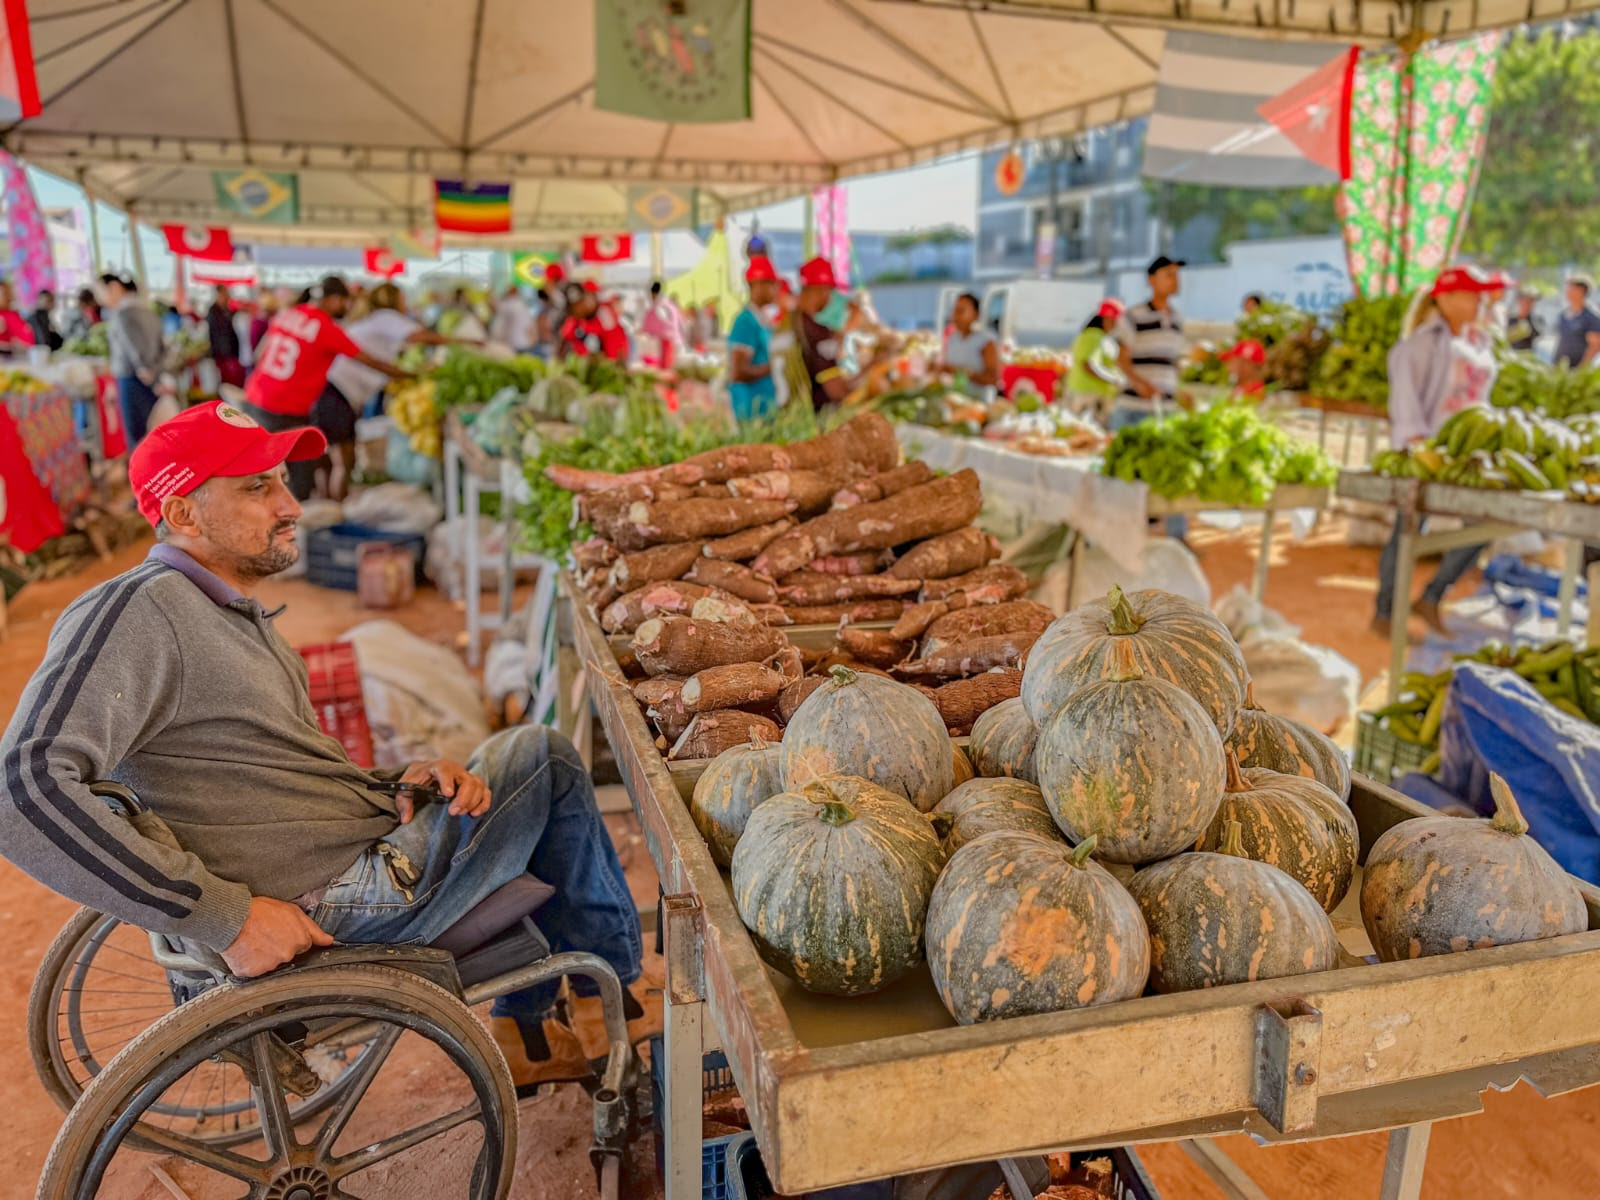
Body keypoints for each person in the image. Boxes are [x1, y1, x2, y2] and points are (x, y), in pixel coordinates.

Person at [0, 400, 658, 1090]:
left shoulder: (218, 608)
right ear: (184, 513)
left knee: (497, 775)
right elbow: (22, 789)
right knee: (544, 756)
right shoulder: (138, 611)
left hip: (339, 858)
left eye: (283, 480)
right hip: (336, 903)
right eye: (256, 487)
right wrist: (228, 919)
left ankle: (533, 1024)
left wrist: (394, 783)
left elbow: (266, 769)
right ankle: (611, 998)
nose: (291, 505)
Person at [1373, 266, 1501, 636]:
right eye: (1473, 294)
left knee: (1483, 527)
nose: (1481, 301)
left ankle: (1431, 597)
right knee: (1407, 532)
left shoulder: (1477, 343)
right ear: (1445, 299)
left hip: (1466, 456)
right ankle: (1385, 614)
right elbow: (1405, 400)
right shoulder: (1418, 346)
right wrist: (1418, 447)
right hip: (1424, 454)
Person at [242, 275, 411, 501]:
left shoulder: (289, 314)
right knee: (298, 483)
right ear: (332, 300)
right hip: (285, 410)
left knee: (266, 475)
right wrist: (409, 374)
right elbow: (371, 362)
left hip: (254, 399)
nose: (346, 306)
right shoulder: (326, 329)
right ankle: (291, 533)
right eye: (343, 300)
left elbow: (258, 354)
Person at [328, 282, 467, 423]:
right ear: (394, 299)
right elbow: (419, 337)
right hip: (341, 389)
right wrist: (464, 341)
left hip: (339, 386)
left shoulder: (375, 318)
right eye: (403, 298)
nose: (405, 303)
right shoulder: (386, 316)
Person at [783, 257, 879, 412]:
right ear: (822, 289)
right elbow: (838, 392)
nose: (831, 298)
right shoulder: (817, 333)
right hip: (815, 422)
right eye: (830, 291)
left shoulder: (784, 324)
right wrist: (872, 367)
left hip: (785, 418)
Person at [1113, 257, 1186, 431]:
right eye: (1168, 274)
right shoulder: (1134, 315)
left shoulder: (1177, 319)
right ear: (1151, 279)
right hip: (1135, 408)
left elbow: (1173, 362)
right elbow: (1120, 357)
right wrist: (1139, 384)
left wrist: (1180, 391)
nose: (1175, 280)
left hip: (1165, 409)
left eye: (1176, 275)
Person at [101, 274, 164, 446]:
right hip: (152, 376)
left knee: (137, 435)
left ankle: (141, 472)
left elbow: (132, 343)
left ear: (115, 288)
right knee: (153, 430)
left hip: (132, 377)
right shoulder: (149, 312)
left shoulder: (123, 314)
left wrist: (143, 367)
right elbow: (161, 345)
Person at [726, 257, 781, 423]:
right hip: (750, 410)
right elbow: (738, 372)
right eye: (771, 284)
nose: (775, 290)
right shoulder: (746, 322)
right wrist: (773, 368)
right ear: (756, 285)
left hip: (765, 409)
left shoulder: (761, 320)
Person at [1066, 300, 1124, 421]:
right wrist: (1114, 379)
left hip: (1093, 395)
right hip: (1089, 396)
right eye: (1115, 320)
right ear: (1107, 319)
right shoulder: (1093, 336)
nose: (1116, 325)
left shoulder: (1099, 336)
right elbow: (1088, 365)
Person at [937, 292, 1000, 401]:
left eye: (961, 311)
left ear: (976, 315)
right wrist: (940, 368)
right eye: (955, 311)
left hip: (980, 403)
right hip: (957, 400)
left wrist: (966, 373)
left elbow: (993, 379)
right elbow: (950, 368)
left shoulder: (986, 341)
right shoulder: (953, 338)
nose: (956, 316)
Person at [557, 282, 628, 362]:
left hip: (605, 367)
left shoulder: (604, 314)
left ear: (589, 296)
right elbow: (564, 340)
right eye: (573, 307)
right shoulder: (574, 319)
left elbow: (616, 350)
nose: (577, 310)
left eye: (580, 304)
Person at [1554, 274, 1600, 368]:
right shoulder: (1563, 315)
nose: (1567, 292)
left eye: (1571, 288)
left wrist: (1581, 369)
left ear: (1581, 291)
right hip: (1561, 368)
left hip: (1578, 370)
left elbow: (1595, 346)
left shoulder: (1591, 316)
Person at [639, 281, 685, 371]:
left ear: (653, 294)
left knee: (667, 374)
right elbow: (681, 325)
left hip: (666, 348)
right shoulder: (672, 306)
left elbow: (646, 329)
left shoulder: (654, 310)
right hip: (678, 345)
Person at [206, 286, 244, 389]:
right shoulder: (214, 311)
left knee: (235, 382)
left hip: (231, 353)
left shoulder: (227, 309)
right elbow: (219, 334)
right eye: (226, 293)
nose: (228, 296)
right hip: (224, 354)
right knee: (228, 384)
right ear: (220, 294)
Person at [488, 283, 535, 353]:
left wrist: (489, 295)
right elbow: (530, 327)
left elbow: (494, 308)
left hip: (513, 344)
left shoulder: (510, 303)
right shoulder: (522, 305)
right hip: (524, 343)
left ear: (510, 292)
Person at [0, 279, 37, 357]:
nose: (7, 295)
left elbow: (27, 339)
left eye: (7, 292)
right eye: (3, 293)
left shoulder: (12, 315)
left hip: (18, 357)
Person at [1507, 288, 1542, 353]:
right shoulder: (1510, 320)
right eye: (1526, 301)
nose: (1528, 305)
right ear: (1519, 301)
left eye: (1531, 302)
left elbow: (1538, 337)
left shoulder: (1536, 322)